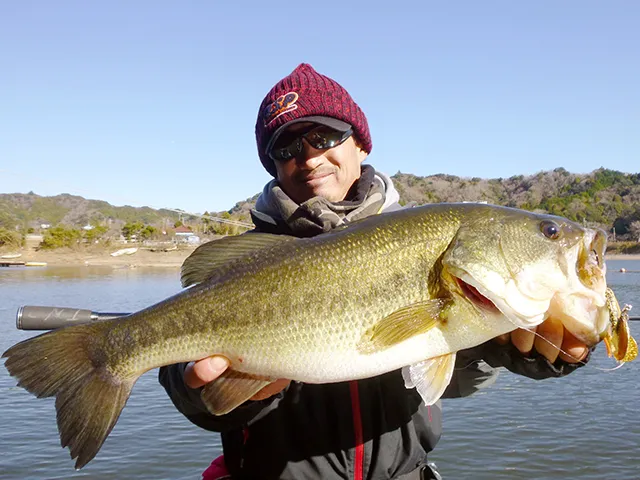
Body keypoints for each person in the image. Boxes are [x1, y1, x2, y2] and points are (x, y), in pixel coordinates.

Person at [159, 64, 591, 480]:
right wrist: (201, 390)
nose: (309, 157)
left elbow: (448, 381)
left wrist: (517, 350)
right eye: (286, 148)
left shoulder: (429, 248)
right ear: (274, 165)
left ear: (360, 144)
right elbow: (188, 385)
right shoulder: (248, 258)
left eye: (323, 135)